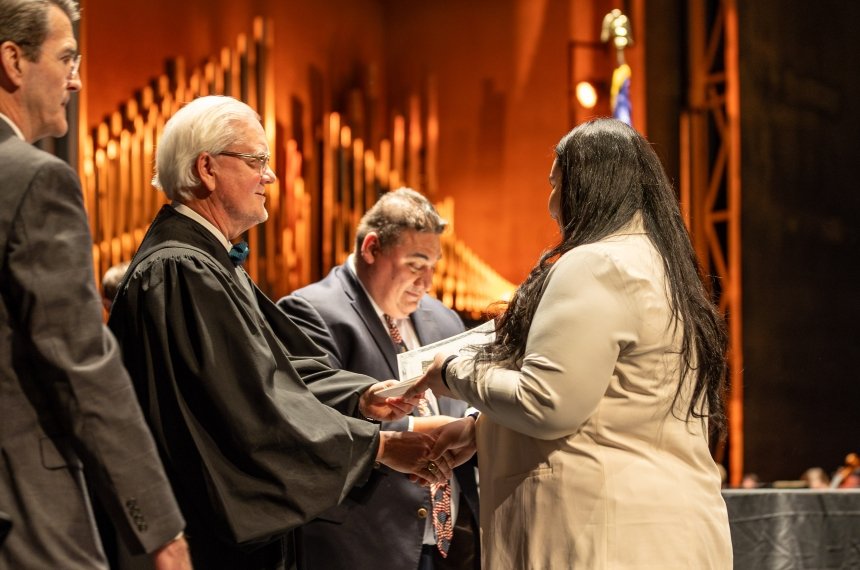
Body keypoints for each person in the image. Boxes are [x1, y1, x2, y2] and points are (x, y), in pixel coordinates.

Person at [107, 95, 451, 569]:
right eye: (257, 160)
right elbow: (247, 409)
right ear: (207, 168)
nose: (270, 176)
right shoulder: (184, 269)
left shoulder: (206, 261)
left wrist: (364, 395)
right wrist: (380, 445)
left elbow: (280, 368)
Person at [409, 118, 733, 568]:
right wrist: (480, 430)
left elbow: (547, 403)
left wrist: (448, 370)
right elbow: (615, 405)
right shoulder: (658, 267)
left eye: (556, 183)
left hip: (603, 536)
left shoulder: (596, 264)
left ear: (589, 187)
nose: (551, 203)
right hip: (655, 532)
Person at [0, 1, 190, 569]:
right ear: (12, 60)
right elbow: (82, 365)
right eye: (66, 58)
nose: (77, 80)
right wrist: (162, 531)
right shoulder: (35, 179)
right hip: (24, 518)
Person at [278, 188, 480, 570]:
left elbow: (470, 401)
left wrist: (471, 423)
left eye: (434, 265)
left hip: (450, 541)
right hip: (365, 540)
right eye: (416, 264)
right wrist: (424, 428)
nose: (428, 282)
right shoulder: (309, 312)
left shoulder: (444, 318)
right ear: (371, 249)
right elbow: (312, 417)